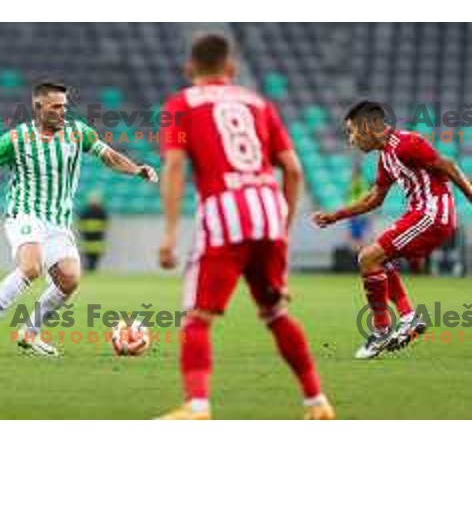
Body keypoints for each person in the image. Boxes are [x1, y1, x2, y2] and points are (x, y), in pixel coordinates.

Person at [158, 33, 334, 420]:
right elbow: (293, 169)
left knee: (196, 317)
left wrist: (170, 233)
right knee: (275, 313)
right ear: (232, 69)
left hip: (224, 216)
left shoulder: (180, 106)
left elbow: (174, 164)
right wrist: (282, 228)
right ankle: (316, 400)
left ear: (190, 69)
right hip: (268, 212)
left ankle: (197, 405)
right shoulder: (259, 104)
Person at [0, 81, 158, 356]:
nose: (63, 111)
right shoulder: (17, 139)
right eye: (56, 107)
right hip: (24, 213)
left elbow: (108, 156)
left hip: (57, 222)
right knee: (31, 267)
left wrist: (136, 170)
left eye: (65, 106)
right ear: (39, 108)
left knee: (70, 279)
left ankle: (30, 333)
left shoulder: (77, 133)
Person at [313, 100, 472, 359]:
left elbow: (449, 166)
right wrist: (335, 216)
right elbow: (372, 200)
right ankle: (408, 317)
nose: (351, 140)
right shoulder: (386, 158)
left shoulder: (407, 143)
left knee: (368, 257)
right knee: (377, 259)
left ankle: (382, 330)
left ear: (367, 127)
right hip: (421, 214)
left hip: (432, 214)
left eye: (352, 132)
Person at [78, 192, 109, 272]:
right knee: (89, 257)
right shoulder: (87, 211)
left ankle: (91, 269)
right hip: (89, 239)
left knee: (94, 258)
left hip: (95, 239)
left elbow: (105, 223)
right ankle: (90, 268)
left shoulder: (100, 211)